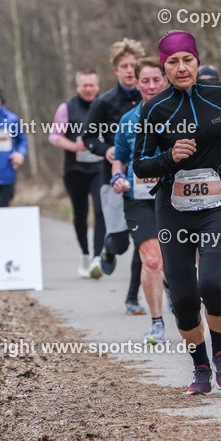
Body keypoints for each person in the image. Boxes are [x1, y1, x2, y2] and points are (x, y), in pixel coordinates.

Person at [133, 31, 221, 395]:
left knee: (212, 284)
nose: (181, 68)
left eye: (188, 60)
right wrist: (170, 157)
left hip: (216, 205)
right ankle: (200, 367)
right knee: (182, 300)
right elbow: (140, 165)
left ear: (197, 62)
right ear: (164, 67)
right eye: (172, 61)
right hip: (173, 209)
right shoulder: (154, 108)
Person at [84, 38, 146, 314]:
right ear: (116, 70)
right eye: (125, 66)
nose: (130, 70)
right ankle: (108, 250)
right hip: (114, 179)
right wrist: (107, 149)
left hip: (146, 179)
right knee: (121, 243)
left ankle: (133, 298)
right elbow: (87, 137)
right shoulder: (104, 102)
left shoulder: (153, 100)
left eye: (134, 65)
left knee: (144, 239)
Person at [112, 57, 169, 343]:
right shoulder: (128, 120)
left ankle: (177, 296)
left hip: (174, 198)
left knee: (175, 263)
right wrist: (117, 178)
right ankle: (157, 324)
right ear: (136, 83)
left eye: (156, 79)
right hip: (139, 199)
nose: (150, 85)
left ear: (165, 79)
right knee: (151, 261)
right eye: (144, 80)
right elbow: (119, 159)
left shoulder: (182, 114)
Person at [50, 70, 108, 278]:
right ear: (78, 86)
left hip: (100, 167)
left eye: (92, 85)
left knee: (101, 211)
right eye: (84, 85)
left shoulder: (105, 104)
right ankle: (84, 254)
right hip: (75, 169)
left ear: (98, 86)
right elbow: (55, 136)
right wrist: (73, 146)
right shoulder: (67, 107)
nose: (88, 89)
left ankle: (96, 258)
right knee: (80, 213)